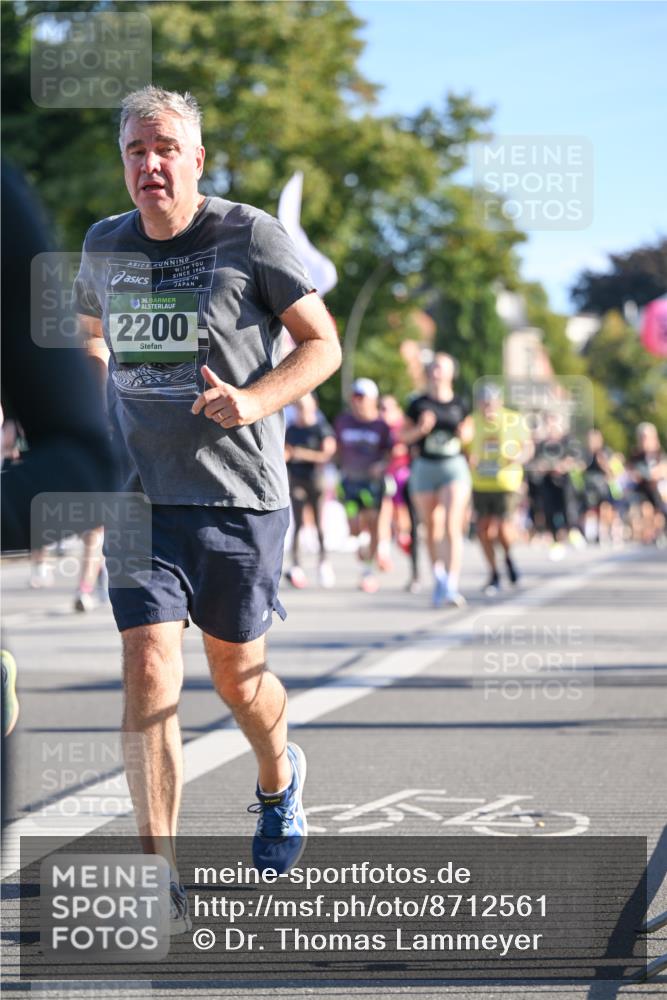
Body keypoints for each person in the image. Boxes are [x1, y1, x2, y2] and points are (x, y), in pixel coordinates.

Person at [72, 87, 341, 930]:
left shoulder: (248, 234)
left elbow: (321, 344)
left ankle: (277, 777)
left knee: (237, 678)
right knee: (149, 669)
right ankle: (159, 875)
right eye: (133, 150)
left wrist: (257, 402)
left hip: (236, 495)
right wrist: (90, 391)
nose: (148, 164)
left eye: (163, 147)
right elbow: (89, 330)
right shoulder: (103, 242)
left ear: (194, 158)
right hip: (139, 494)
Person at [402, 353, 472, 608]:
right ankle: (439, 578)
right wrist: (420, 429)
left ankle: (452, 584)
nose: (435, 372)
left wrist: (466, 435)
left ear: (451, 373)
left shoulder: (460, 403)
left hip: (453, 466)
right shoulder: (417, 403)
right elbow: (403, 436)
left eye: (440, 368)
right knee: (431, 527)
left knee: (452, 523)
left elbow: (469, 432)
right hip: (425, 466)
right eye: (432, 368)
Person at [468, 384, 532, 595]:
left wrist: (518, 458)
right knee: (484, 530)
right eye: (485, 404)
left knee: (503, 528)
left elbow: (527, 446)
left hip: (507, 482)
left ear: (500, 403)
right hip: (481, 483)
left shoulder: (513, 420)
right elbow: (462, 445)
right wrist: (468, 458)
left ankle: (508, 557)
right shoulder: (472, 422)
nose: (488, 408)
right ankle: (494, 572)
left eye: (492, 403)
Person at [334, 378, 393, 593]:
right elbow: (337, 448)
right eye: (354, 396)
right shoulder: (343, 422)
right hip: (349, 482)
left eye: (361, 397)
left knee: (373, 522)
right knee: (353, 526)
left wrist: (381, 465)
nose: (356, 401)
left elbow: (390, 454)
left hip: (372, 484)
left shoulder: (381, 425)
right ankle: (362, 546)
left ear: (373, 400)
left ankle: (368, 571)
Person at [284, 393, 336, 588]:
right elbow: (285, 452)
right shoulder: (292, 429)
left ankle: (323, 561)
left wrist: (300, 454)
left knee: (318, 522)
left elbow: (326, 454)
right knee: (297, 522)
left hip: (316, 479)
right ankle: (296, 564)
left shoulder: (321, 428)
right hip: (296, 479)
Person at [378, 394, 419, 590]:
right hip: (388, 478)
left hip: (405, 477)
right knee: (385, 513)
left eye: (388, 408)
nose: (383, 412)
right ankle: (384, 551)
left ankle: (404, 539)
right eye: (381, 408)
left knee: (403, 518)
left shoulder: (403, 425)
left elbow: (408, 447)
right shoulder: (381, 428)